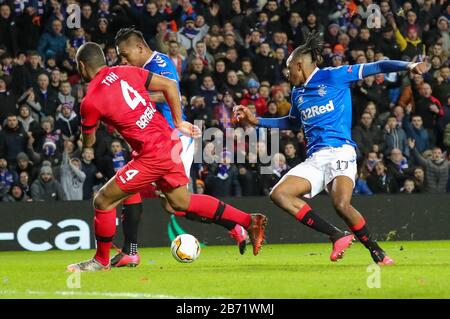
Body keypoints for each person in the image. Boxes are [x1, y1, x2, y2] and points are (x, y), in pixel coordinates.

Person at [67, 42, 267, 272]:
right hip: (169, 142)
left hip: (152, 154)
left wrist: (85, 137)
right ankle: (249, 221)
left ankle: (101, 261)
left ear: (82, 66)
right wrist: (179, 120)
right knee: (181, 202)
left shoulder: (90, 101)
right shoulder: (126, 71)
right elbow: (170, 85)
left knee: (102, 200)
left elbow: (89, 143)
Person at [235, 33, 429, 265]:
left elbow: (376, 66)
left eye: (289, 69)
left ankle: (377, 251)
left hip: (340, 151)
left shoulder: (334, 76)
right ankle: (337, 235)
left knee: (340, 204)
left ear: (299, 65)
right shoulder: (298, 93)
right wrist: (258, 121)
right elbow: (293, 122)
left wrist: (409, 65)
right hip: (315, 158)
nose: (287, 75)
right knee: (279, 194)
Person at [114, 28, 249, 267]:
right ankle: (234, 225)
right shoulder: (137, 69)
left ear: (140, 48)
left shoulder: (159, 62)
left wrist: (130, 95)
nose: (122, 60)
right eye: (119, 56)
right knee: (170, 204)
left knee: (174, 201)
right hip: (154, 140)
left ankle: (130, 251)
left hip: (172, 138)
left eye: (125, 54)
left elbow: (169, 92)